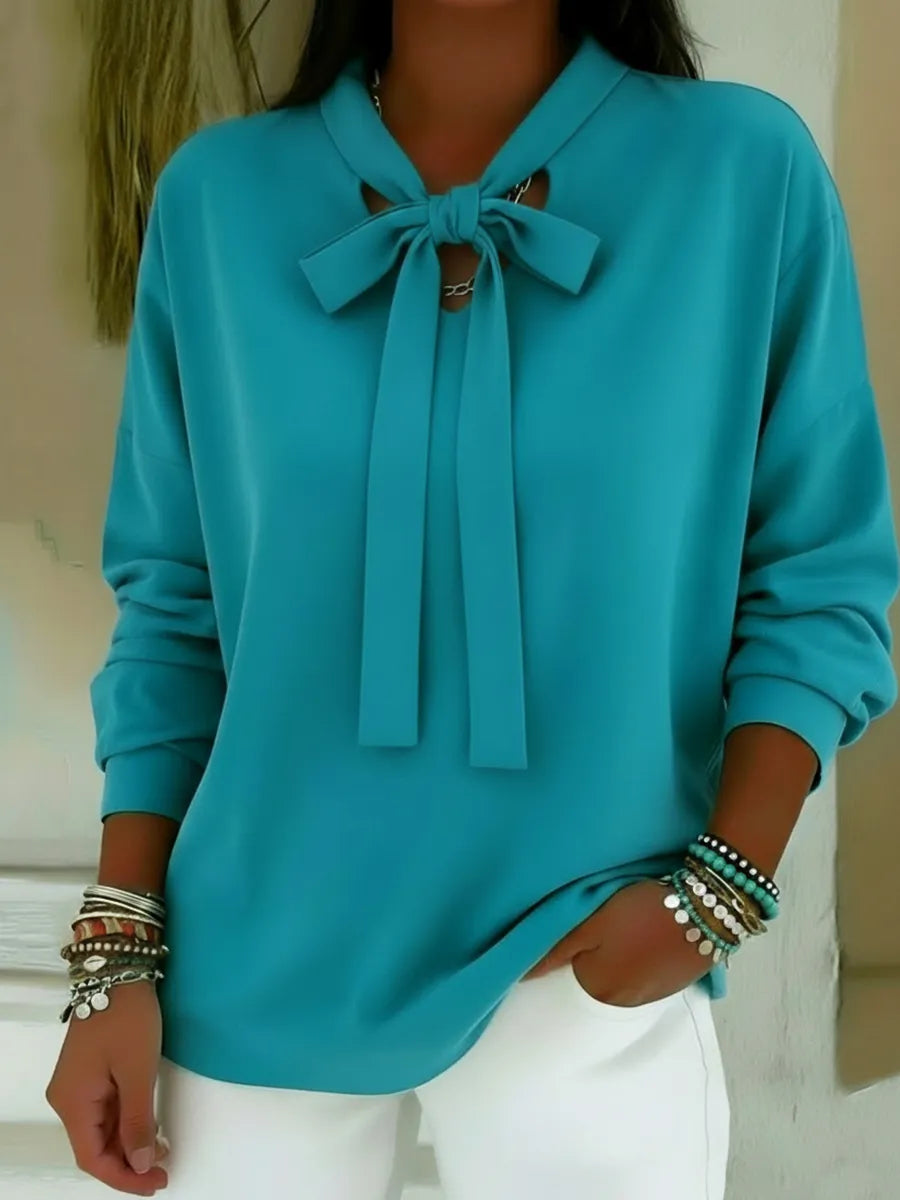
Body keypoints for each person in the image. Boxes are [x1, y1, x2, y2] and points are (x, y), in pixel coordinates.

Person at [45, 1, 899, 1197]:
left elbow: (818, 573)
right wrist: (116, 955)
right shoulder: (218, 199)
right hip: (253, 958)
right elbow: (175, 607)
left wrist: (717, 894)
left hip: (583, 952)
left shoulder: (741, 173)